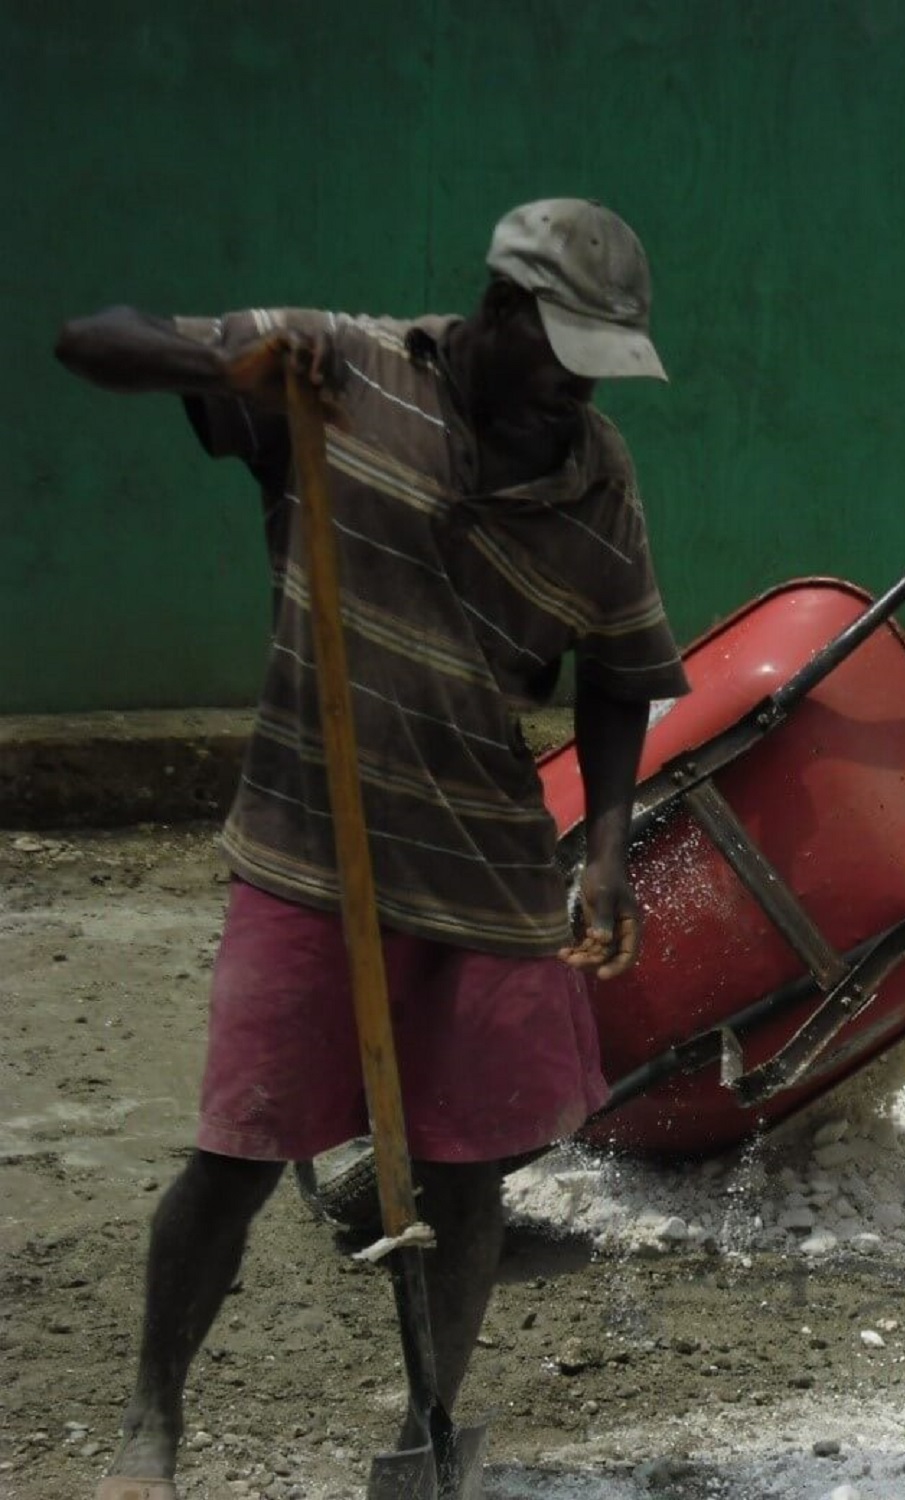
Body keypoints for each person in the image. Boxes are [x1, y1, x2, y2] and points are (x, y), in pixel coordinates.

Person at [55, 199, 691, 1498]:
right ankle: (150, 1423)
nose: (572, 390)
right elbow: (91, 340)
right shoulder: (335, 369)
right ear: (499, 313)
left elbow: (621, 670)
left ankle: (427, 1425)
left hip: (485, 866)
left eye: (596, 366)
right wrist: (221, 367)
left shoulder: (595, 472)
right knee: (237, 1154)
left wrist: (609, 851)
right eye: (559, 354)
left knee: (467, 1174)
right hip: (311, 848)